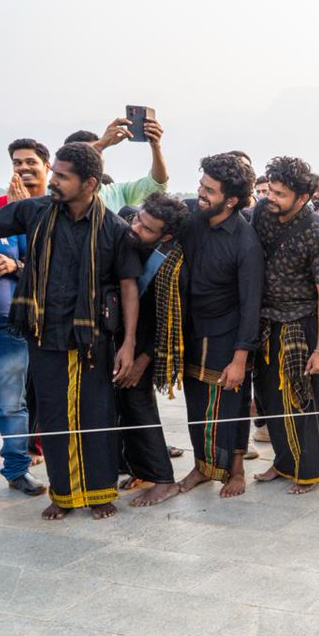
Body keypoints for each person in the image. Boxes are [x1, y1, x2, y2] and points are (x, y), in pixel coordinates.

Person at [0, 142, 143, 520]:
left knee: (96, 416)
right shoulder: (35, 211)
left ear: (89, 183)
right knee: (53, 416)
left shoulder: (114, 229)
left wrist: (129, 343)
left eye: (62, 176)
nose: (53, 181)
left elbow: (129, 287)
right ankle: (64, 494)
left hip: (94, 341)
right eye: (55, 173)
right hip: (44, 336)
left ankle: (100, 493)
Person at [157, 153, 262, 499]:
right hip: (191, 331)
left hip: (227, 337)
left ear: (231, 200)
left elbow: (250, 305)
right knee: (197, 407)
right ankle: (203, 467)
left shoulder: (245, 242)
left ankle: (236, 470)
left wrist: (240, 359)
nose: (201, 194)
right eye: (201, 186)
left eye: (209, 190)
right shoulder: (192, 220)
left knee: (229, 408)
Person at [251, 156, 319, 494]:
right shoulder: (261, 213)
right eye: (269, 190)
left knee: (301, 401)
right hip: (264, 322)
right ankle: (283, 462)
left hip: (299, 325)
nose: (270, 197)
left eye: (280, 194)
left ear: (302, 198)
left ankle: (308, 470)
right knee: (271, 400)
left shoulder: (316, 233)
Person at [0, 142, 47, 497]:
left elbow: (37, 265)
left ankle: (17, 470)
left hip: (7, 333)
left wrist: (13, 265)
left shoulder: (2, 221)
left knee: (13, 407)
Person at [113, 194, 189, 506]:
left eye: (146, 228)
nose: (136, 227)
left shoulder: (171, 264)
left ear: (166, 236)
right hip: (122, 340)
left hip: (146, 345)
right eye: (137, 220)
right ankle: (141, 469)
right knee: (126, 407)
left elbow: (167, 320)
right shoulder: (132, 238)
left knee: (139, 406)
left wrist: (144, 358)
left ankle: (163, 478)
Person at [69, 115, 169, 212]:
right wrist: (101, 144)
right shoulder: (58, 193)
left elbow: (157, 185)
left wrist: (156, 146)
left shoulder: (118, 192)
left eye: (100, 152)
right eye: (94, 150)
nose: (95, 158)